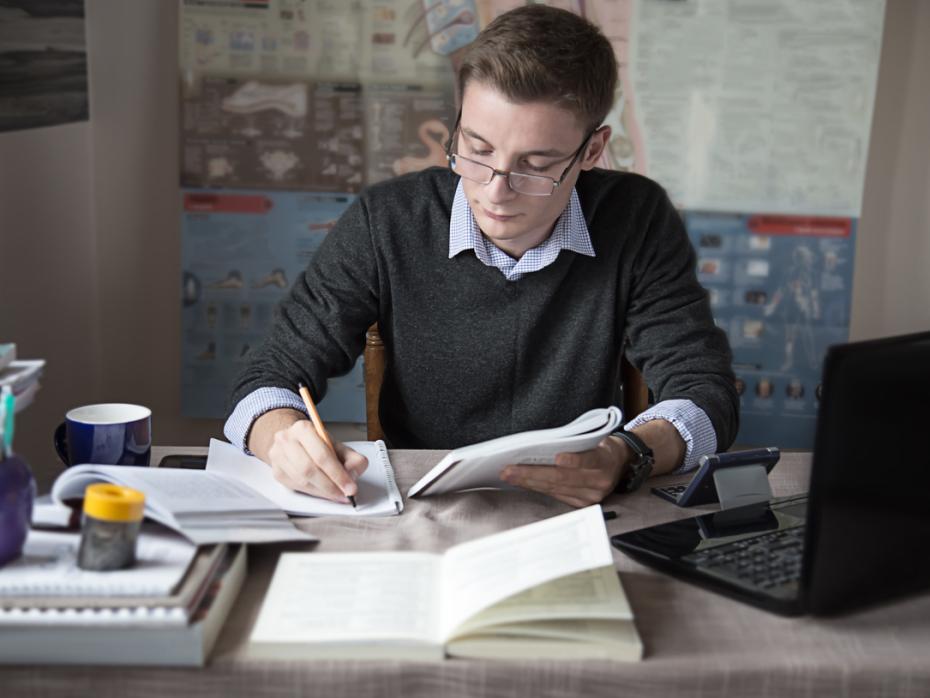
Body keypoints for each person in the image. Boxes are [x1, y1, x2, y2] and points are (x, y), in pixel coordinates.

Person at [224, 5, 738, 508]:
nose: (495, 192)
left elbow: (706, 394)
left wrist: (628, 454)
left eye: (534, 166)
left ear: (592, 150)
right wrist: (283, 439)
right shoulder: (387, 220)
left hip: (577, 511)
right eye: (476, 150)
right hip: (419, 507)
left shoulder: (636, 217)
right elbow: (267, 378)